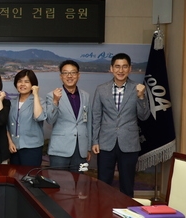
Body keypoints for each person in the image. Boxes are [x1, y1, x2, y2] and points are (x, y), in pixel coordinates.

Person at [92, 53, 150, 197]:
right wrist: (95, 140)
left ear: (130, 69)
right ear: (111, 68)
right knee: (103, 183)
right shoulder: (101, 89)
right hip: (106, 143)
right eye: (117, 66)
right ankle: (102, 214)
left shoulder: (138, 89)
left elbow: (144, 116)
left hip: (129, 143)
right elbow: (96, 116)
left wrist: (141, 97)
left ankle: (127, 217)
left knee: (127, 184)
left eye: (124, 67)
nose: (121, 70)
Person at [45, 60, 92, 171]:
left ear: (78, 75)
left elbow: (88, 122)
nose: (69, 76)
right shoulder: (52, 95)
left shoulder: (86, 96)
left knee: (79, 182)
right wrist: (55, 102)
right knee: (59, 182)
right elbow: (50, 120)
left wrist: (88, 147)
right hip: (60, 148)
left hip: (81, 149)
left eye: (73, 73)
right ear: (61, 76)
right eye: (65, 73)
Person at [7, 69, 47, 167]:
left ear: (33, 85)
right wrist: (10, 142)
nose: (22, 84)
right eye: (19, 81)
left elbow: (39, 117)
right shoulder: (11, 102)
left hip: (32, 148)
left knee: (30, 178)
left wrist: (36, 94)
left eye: (27, 82)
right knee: (15, 177)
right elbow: (6, 125)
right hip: (14, 148)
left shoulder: (39, 101)